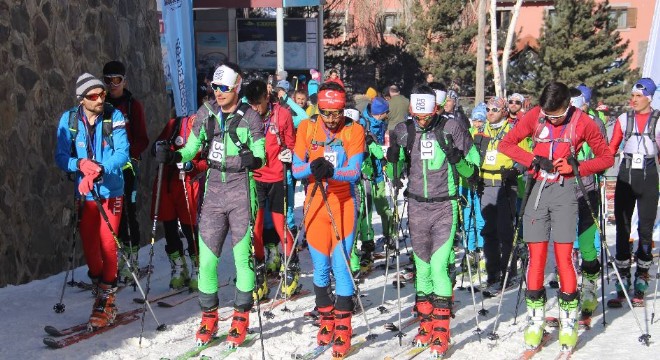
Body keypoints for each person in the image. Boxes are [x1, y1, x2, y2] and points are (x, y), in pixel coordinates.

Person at [155, 63, 266, 347]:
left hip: (241, 190)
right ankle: (209, 316)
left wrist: (253, 160)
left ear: (236, 88)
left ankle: (241, 317)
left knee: (242, 258)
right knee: (207, 260)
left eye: (224, 88)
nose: (218, 93)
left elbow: (260, 153)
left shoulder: (250, 117)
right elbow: (191, 148)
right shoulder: (205, 114)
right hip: (214, 191)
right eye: (214, 87)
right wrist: (172, 155)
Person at [498, 81, 613, 351]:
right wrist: (532, 160)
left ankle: (569, 321)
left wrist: (577, 167)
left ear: (568, 106)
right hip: (537, 190)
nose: (552, 120)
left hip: (565, 193)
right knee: (536, 257)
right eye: (548, 116)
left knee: (564, 257)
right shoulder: (535, 115)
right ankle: (536, 320)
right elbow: (507, 144)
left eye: (557, 115)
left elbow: (606, 157)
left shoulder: (583, 121)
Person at [387, 85, 480, 357]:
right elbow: (396, 173)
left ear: (436, 109)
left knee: (439, 267)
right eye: (417, 115)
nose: (422, 120)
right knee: (422, 268)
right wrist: (393, 159)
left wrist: (458, 159)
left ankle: (442, 330)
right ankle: (426, 325)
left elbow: (472, 170)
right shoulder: (406, 130)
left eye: (426, 116)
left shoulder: (452, 128)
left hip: (445, 206)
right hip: (416, 205)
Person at [292, 82, 365, 358]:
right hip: (314, 208)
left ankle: (344, 329)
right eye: (326, 113)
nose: (332, 120)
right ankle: (326, 322)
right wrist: (313, 167)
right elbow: (296, 169)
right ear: (318, 109)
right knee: (320, 268)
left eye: (337, 113)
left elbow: (354, 171)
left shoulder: (353, 129)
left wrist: (331, 171)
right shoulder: (307, 128)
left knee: (342, 266)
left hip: (342, 204)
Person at [55, 73, 130, 328]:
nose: (99, 99)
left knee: (108, 245)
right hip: (84, 193)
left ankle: (106, 300)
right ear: (81, 99)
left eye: (102, 94)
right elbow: (61, 156)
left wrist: (98, 168)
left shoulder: (114, 116)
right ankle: (101, 289)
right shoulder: (69, 120)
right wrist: (80, 163)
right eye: (93, 96)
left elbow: (122, 154)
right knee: (90, 247)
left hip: (111, 190)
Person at [607, 78, 660, 307]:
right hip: (626, 175)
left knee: (645, 229)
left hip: (649, 175)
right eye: (633, 96)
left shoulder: (658, 120)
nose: (634, 100)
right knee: (623, 227)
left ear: (649, 97)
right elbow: (611, 149)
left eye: (639, 96)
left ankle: (641, 277)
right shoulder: (622, 119)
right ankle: (622, 278)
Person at [472, 97, 529, 297]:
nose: (490, 112)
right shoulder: (480, 132)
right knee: (488, 231)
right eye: (487, 109)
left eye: (495, 109)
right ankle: (493, 273)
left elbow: (527, 156)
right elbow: (471, 155)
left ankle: (510, 272)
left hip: (505, 184)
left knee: (505, 230)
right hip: (486, 183)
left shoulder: (512, 131)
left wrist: (515, 170)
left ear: (504, 111)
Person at [247, 80, 298, 297]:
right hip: (255, 178)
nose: (255, 108)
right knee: (255, 228)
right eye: (251, 104)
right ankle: (259, 274)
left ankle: (291, 268)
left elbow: (292, 144)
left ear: (267, 98)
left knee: (279, 224)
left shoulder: (282, 114)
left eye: (258, 103)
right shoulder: (247, 116)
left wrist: (290, 155)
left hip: (277, 177)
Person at [102, 60, 149, 284]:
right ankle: (117, 259)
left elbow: (142, 138)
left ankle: (132, 260)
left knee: (129, 212)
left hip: (127, 168)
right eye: (108, 80)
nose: (113, 85)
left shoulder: (132, 105)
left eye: (117, 80)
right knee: (112, 214)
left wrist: (130, 154)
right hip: (107, 169)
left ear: (124, 81)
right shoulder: (100, 104)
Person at [151, 115, 207, 290]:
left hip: (190, 182)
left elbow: (211, 159)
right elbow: (157, 145)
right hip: (168, 181)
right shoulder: (176, 124)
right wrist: (159, 149)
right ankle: (178, 266)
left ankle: (198, 269)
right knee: (169, 226)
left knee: (190, 228)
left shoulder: (209, 127)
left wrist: (194, 166)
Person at [353, 97, 394, 275]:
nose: (386, 116)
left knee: (382, 207)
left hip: (376, 173)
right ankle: (365, 246)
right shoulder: (362, 124)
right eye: (385, 113)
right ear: (379, 113)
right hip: (365, 174)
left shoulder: (379, 123)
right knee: (364, 211)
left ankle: (389, 235)